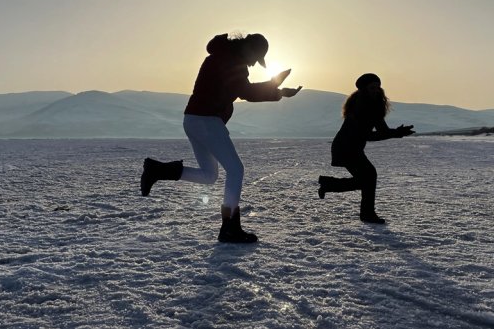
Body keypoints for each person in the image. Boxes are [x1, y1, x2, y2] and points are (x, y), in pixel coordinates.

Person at [140, 33, 302, 243]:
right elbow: (246, 91)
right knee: (236, 170)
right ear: (249, 49)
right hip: (207, 121)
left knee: (209, 175)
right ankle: (230, 228)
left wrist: (277, 89)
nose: (254, 64)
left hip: (194, 120)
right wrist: (276, 88)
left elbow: (242, 89)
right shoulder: (229, 60)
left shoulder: (223, 56)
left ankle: (158, 170)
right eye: (255, 58)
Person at [318, 73, 414, 224]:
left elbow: (382, 131)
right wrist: (395, 134)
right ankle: (366, 214)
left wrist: (398, 132)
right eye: (372, 87)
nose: (376, 90)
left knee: (366, 179)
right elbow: (367, 135)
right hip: (345, 147)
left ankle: (329, 185)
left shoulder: (374, 105)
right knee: (368, 177)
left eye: (378, 87)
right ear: (364, 89)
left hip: (354, 147)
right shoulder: (358, 106)